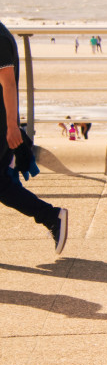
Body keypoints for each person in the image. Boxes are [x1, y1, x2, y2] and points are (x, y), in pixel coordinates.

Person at [0, 18, 68, 254]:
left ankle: (50, 215)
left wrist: (11, 127)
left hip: (1, 126)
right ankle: (50, 216)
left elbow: (8, 84)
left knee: (2, 185)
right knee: (2, 185)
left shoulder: (0, 38)